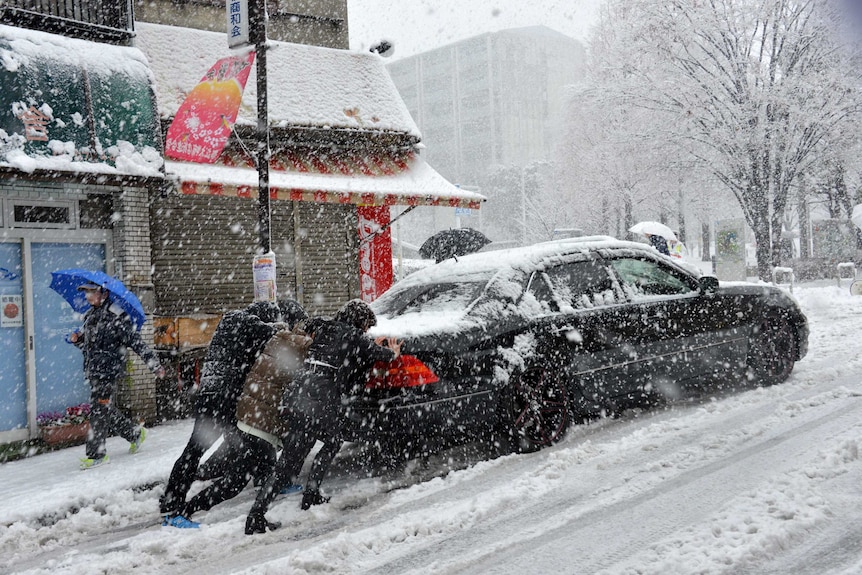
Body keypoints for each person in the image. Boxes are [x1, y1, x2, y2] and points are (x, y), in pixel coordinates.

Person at [245, 299, 401, 535]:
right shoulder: (353, 335)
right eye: (367, 326)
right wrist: (393, 351)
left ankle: (266, 510)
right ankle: (300, 499)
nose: (367, 331)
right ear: (361, 322)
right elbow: (383, 355)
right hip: (318, 398)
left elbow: (312, 328)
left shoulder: (325, 326)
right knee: (328, 442)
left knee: (294, 458)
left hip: (298, 393)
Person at [159, 299, 288, 528]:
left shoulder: (231, 324)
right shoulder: (244, 321)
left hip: (211, 394)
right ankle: (173, 509)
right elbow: (273, 334)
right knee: (205, 451)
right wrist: (286, 328)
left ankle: (179, 504)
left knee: (212, 451)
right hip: (223, 397)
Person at [68, 283, 166, 471]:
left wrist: (155, 365)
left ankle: (97, 454)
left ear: (103, 293)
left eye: (92, 292)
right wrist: (78, 340)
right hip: (94, 371)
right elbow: (90, 348)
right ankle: (135, 434)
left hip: (108, 372)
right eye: (86, 292)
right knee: (104, 410)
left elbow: (137, 343)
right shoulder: (90, 317)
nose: (88, 296)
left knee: (98, 411)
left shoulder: (118, 317)